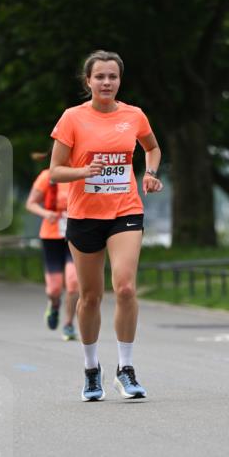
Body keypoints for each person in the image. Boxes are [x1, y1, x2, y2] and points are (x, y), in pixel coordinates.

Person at [50, 50, 163, 401]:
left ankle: (125, 369)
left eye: (112, 77)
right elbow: (55, 171)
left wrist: (151, 173)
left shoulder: (134, 115)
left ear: (119, 81)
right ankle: (91, 369)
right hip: (84, 216)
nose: (106, 82)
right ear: (88, 81)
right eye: (99, 77)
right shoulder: (72, 118)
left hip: (125, 210)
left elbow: (153, 148)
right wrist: (82, 172)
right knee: (90, 296)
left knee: (126, 288)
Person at [26, 164, 78, 340]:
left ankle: (69, 324)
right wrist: (46, 213)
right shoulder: (47, 176)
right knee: (54, 289)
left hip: (75, 234)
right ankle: (54, 305)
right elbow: (31, 204)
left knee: (73, 282)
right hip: (51, 235)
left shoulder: (80, 174)